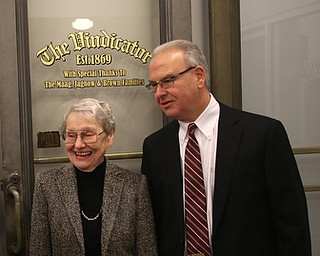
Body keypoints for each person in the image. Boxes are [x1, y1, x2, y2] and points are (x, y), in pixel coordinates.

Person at [141, 39, 311, 256]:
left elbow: (291, 222)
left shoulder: (261, 135)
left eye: (167, 81)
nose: (159, 93)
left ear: (199, 76)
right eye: (153, 85)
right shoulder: (156, 147)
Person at [29, 98, 158, 256]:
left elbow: (147, 251)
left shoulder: (135, 186)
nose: (78, 145)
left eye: (87, 135)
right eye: (71, 135)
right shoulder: (46, 184)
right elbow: (38, 250)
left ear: (109, 136)